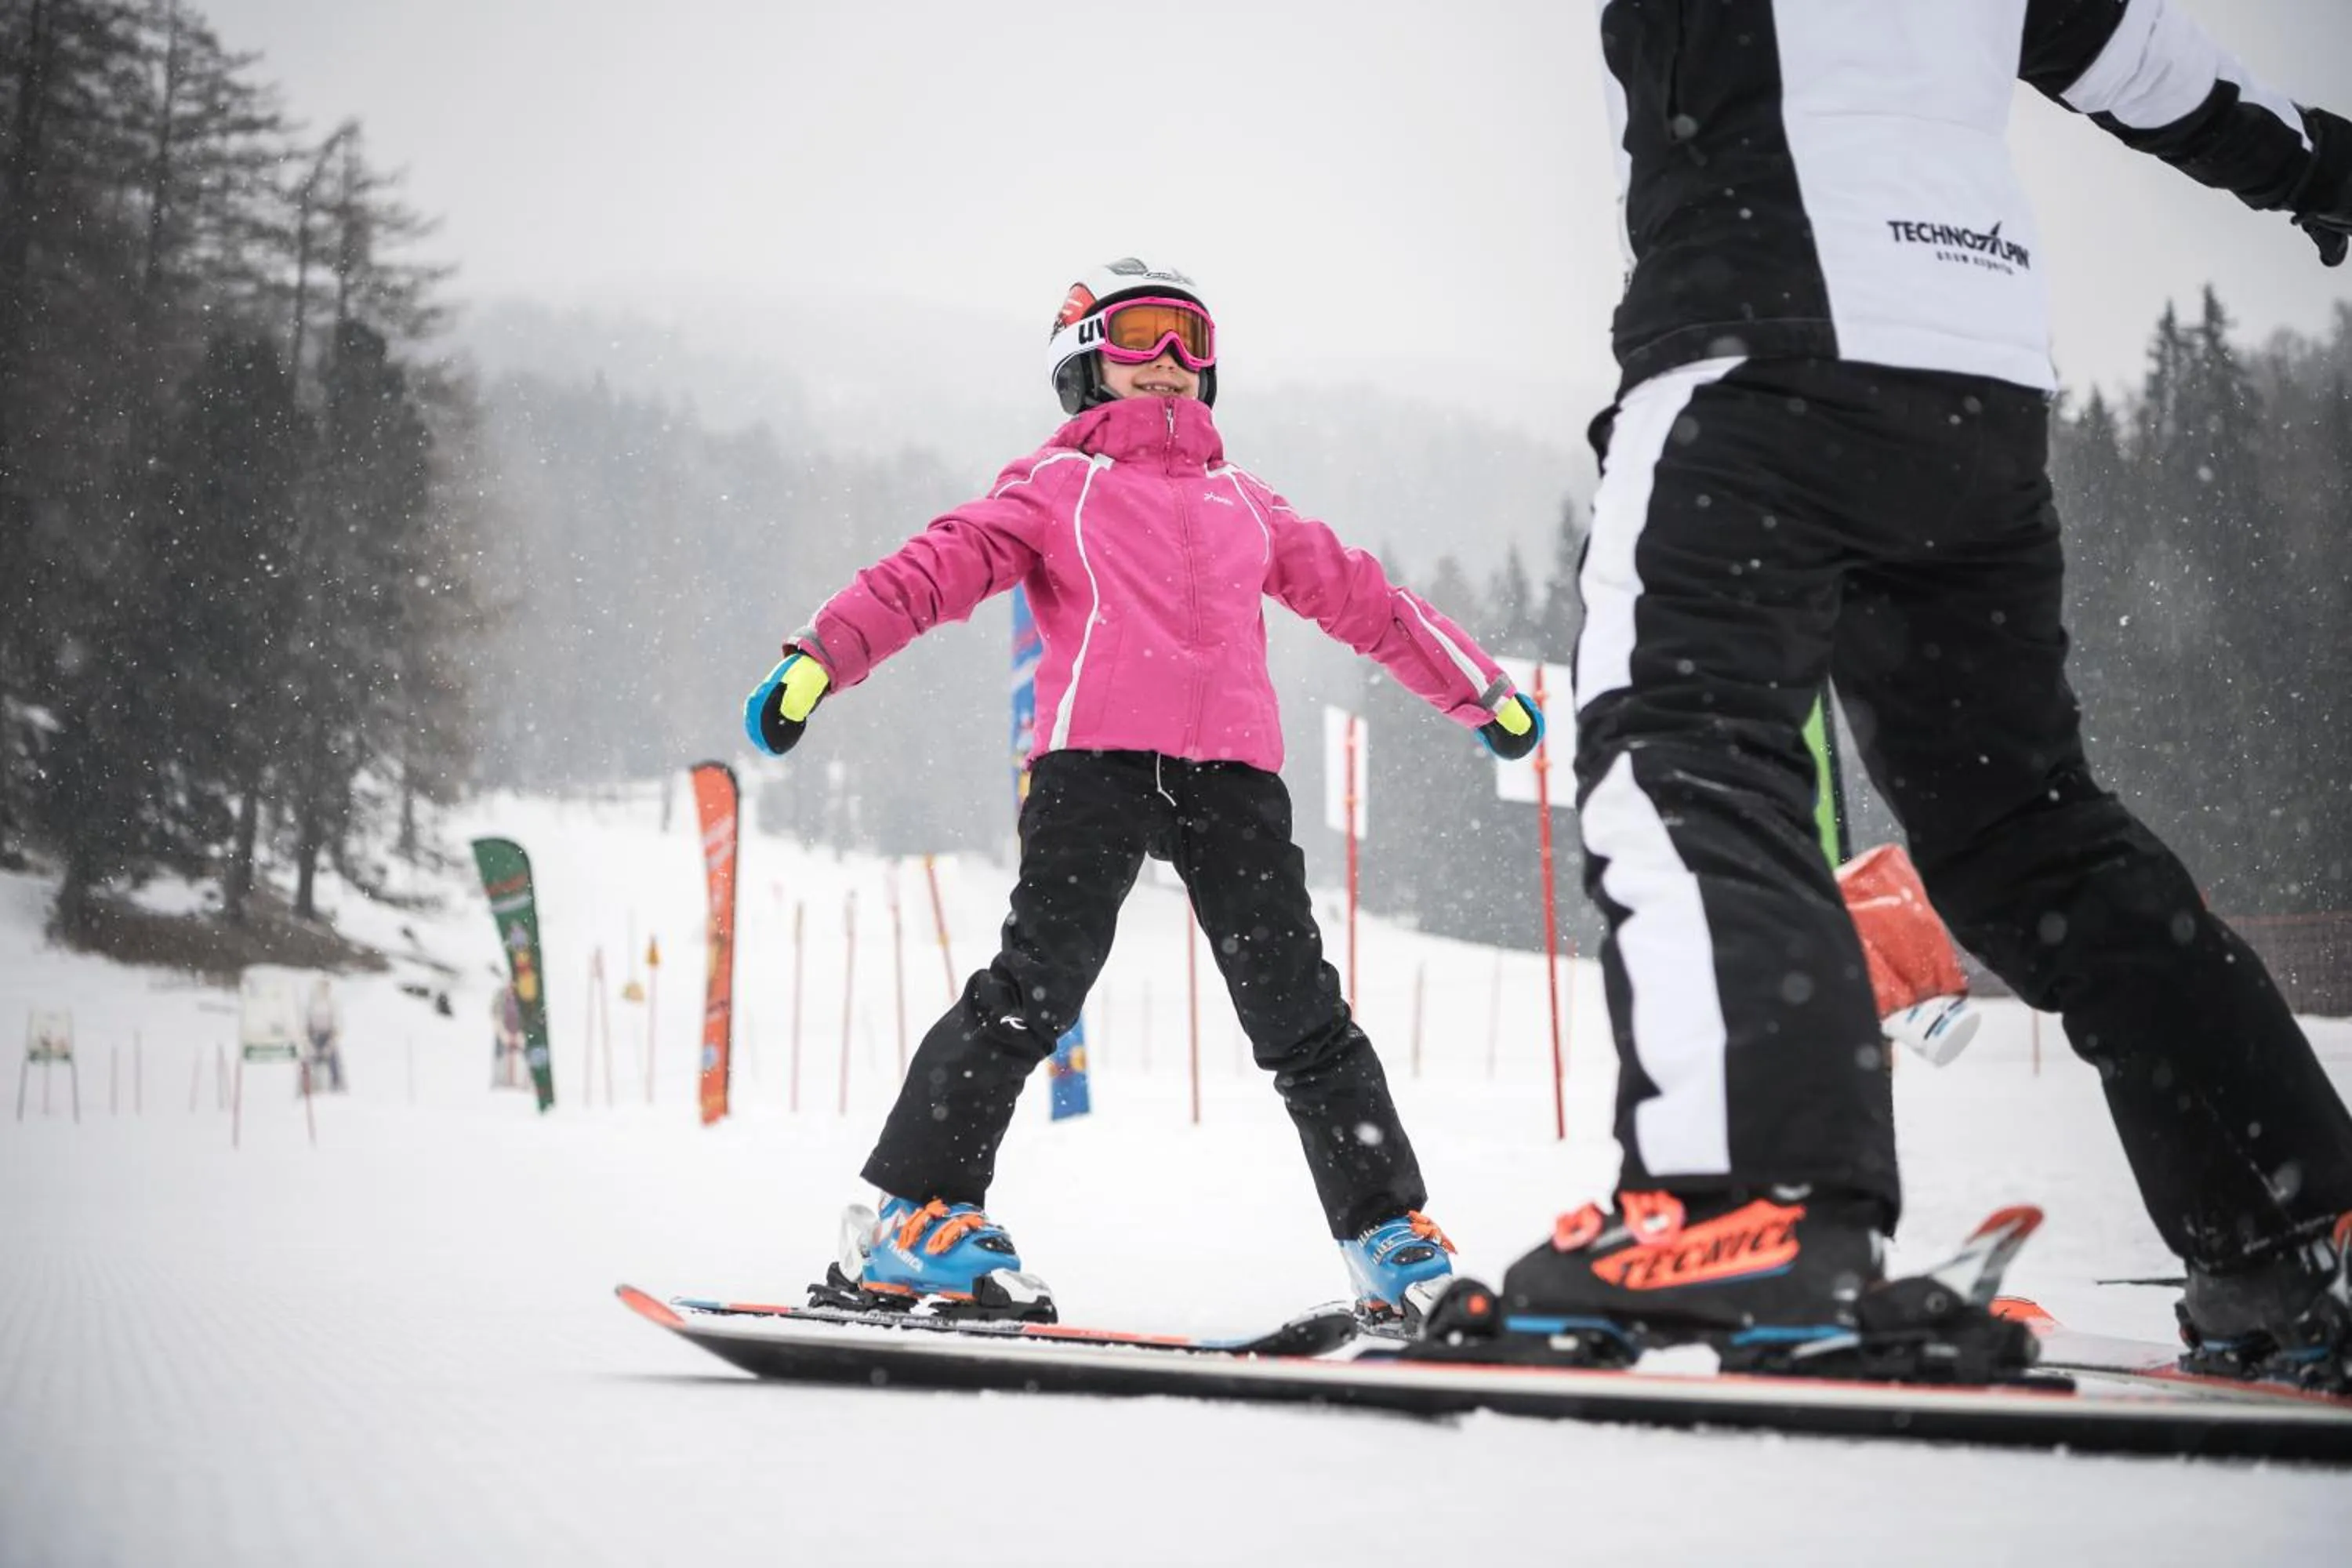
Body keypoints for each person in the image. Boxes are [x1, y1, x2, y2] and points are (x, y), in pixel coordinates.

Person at [1500, 0, 2352, 1386]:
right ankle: (2290, 1228)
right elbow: (2147, 60)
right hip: (1975, 396)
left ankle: (1746, 1204)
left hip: (1760, 349)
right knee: (2032, 828)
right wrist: (2317, 165)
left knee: (1683, 753)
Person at [745, 258, 1543, 1325]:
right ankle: (911, 1216)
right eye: (1140, 338)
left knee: (1301, 1010)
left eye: (1189, 341)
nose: (1168, 362)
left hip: (1233, 776)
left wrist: (1480, 691)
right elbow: (930, 571)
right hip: (1096, 765)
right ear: (1085, 362)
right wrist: (821, 655)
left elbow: (1368, 602)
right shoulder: (1055, 486)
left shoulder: (1243, 502)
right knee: (1035, 986)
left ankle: (1386, 1235)